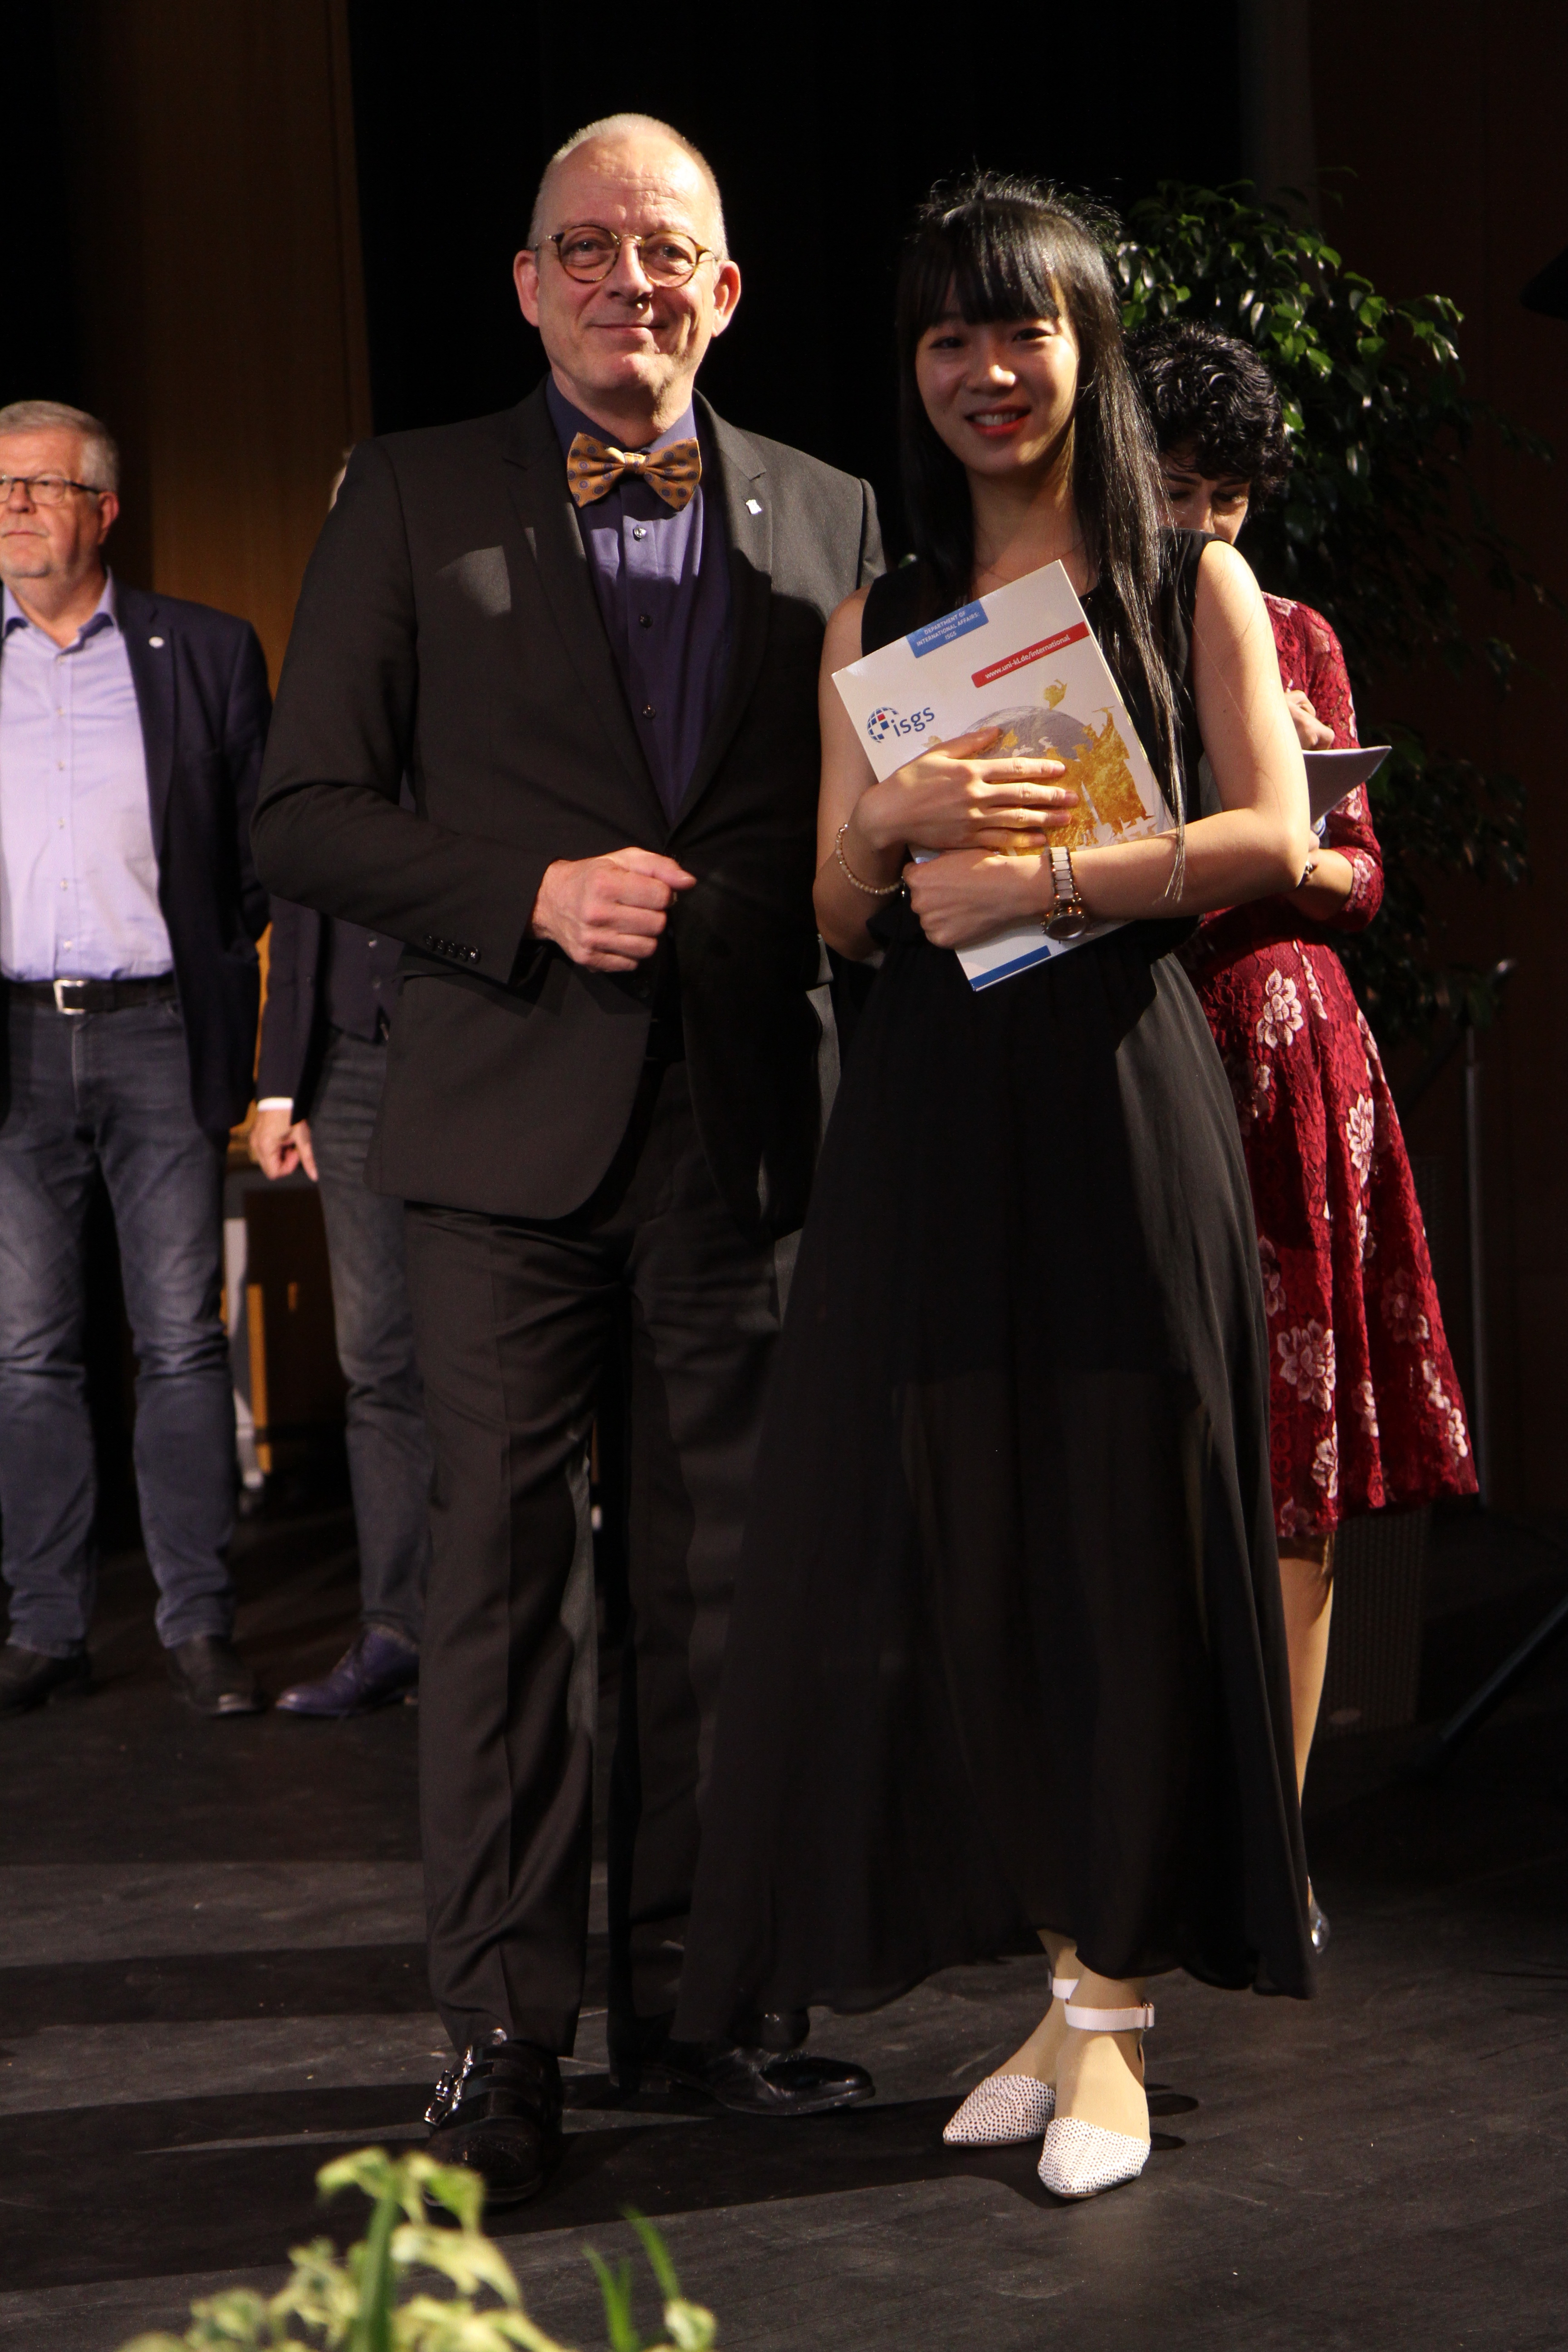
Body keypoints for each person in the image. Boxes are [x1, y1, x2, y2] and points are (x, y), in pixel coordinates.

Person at [253, 114, 884, 2205]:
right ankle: (500, 2045)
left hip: (745, 1126)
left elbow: (871, 811)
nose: (630, 280)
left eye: (666, 249)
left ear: (727, 289)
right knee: (507, 1596)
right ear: (526, 284)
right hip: (500, 1132)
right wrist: (521, 892)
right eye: (586, 248)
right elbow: (302, 811)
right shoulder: (410, 491)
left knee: (719, 1595)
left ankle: (698, 2012)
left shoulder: (833, 510)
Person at [676, 176, 1319, 2203]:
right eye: (947, 335)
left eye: (1019, 328)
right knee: (980, 1553)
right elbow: (837, 912)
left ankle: (1109, 2014)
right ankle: (1059, 1990)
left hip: (1121, 1097)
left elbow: (1275, 836)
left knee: (1127, 1541)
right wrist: (886, 816)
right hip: (930, 1120)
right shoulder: (877, 618)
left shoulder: (1189, 579)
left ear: (1085, 346)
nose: (983, 370)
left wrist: (1051, 875)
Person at [1128, 321, 1476, 1940]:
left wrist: (1279, 845)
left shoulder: (1293, 634)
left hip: (1285, 1057)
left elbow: (1360, 873)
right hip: (1133, 1055)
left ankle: (1272, 1849)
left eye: (1225, 496)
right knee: (1137, 1457)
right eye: (1171, 487)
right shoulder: (1060, 634)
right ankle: (1133, 1841)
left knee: (1295, 1462)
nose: (1200, 522)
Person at [0, 399, 270, 1720]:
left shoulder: (204, 652)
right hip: (11, 1044)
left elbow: (259, 860)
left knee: (177, 1338)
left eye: (39, 487)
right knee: (27, 1350)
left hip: (161, 1031)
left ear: (103, 510)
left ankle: (198, 1623)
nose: (12, 509)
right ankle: (44, 1627)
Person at [249, 890, 429, 1714]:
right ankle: (398, 1629)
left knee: (479, 1352)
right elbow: (297, 907)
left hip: (463, 1047)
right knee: (376, 1359)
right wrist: (281, 1090)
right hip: (347, 1062)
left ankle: (481, 1628)